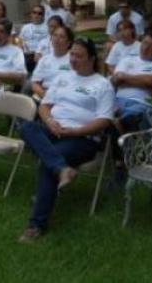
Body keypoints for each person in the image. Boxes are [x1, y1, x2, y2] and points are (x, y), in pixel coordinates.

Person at [18, 37, 114, 242]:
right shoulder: (63, 78)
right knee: (27, 126)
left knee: (49, 162)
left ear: (91, 58)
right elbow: (44, 105)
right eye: (72, 54)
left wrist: (75, 132)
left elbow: (105, 120)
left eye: (79, 56)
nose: (73, 59)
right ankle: (62, 169)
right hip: (55, 129)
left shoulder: (102, 84)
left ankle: (36, 225)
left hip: (83, 139)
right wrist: (50, 121)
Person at [110, 32, 152, 131]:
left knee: (136, 114)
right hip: (118, 100)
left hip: (143, 103)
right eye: (144, 43)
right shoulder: (127, 60)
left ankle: (118, 127)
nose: (145, 48)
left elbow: (151, 81)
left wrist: (125, 78)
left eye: (151, 46)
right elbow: (116, 79)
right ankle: (118, 128)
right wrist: (143, 81)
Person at [30, 25, 73, 102]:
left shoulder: (74, 60)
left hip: (65, 97)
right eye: (55, 35)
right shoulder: (44, 59)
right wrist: (45, 95)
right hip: (44, 95)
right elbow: (35, 83)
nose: (57, 39)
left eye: (61, 37)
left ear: (68, 42)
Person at [20, 4, 50, 73]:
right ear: (31, 14)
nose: (36, 15)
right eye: (34, 12)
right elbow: (20, 41)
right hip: (26, 55)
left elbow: (48, 44)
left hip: (40, 56)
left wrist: (38, 53)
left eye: (39, 13)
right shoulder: (25, 27)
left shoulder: (47, 28)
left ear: (43, 16)